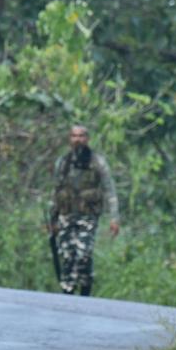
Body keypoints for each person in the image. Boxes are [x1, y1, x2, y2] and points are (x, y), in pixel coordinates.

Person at [49, 124, 120, 296]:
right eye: (74, 136)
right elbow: (56, 190)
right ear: (69, 139)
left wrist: (114, 217)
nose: (78, 139)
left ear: (87, 138)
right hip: (66, 215)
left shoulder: (97, 162)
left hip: (87, 216)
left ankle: (85, 290)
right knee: (67, 254)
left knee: (83, 254)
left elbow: (109, 189)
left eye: (81, 136)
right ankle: (68, 291)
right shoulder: (63, 162)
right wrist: (53, 219)